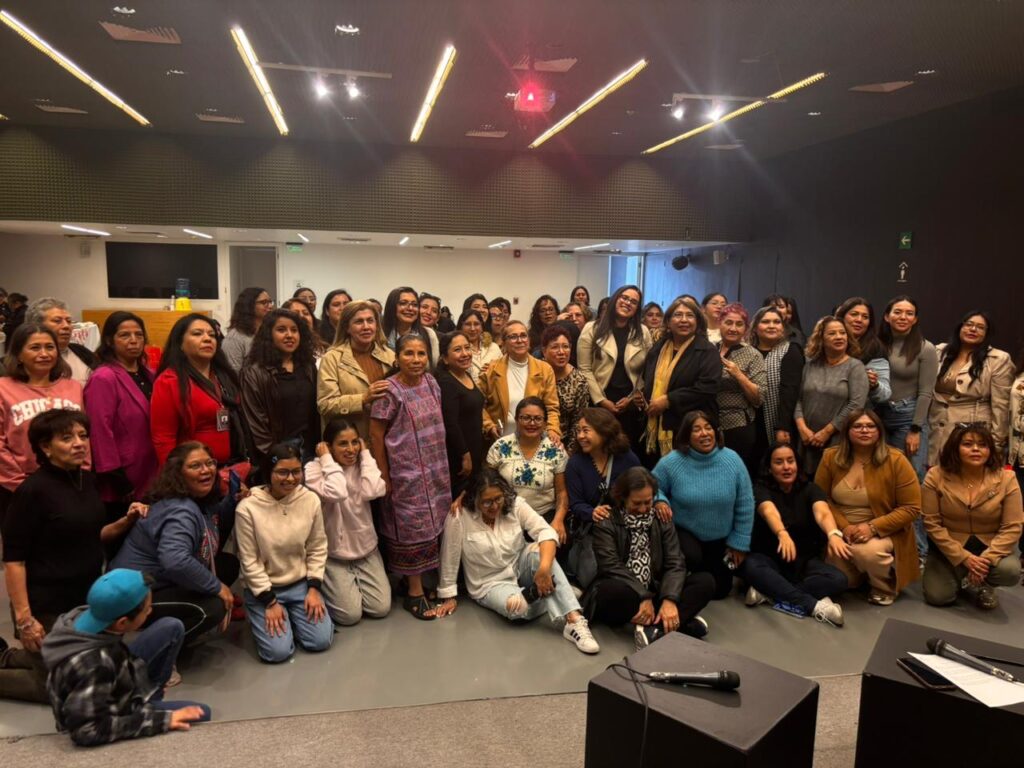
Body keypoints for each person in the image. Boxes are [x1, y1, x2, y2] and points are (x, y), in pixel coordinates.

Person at [1, 410, 141, 703]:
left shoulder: (85, 481)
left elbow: (90, 533)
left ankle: (13, 658)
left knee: (95, 671)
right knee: (57, 689)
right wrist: (25, 618)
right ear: (45, 447)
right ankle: (25, 657)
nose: (79, 443)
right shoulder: (32, 491)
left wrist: (125, 521)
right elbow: (14, 560)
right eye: (67, 438)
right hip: (45, 607)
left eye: (83, 436)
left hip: (83, 603)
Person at [432, 469, 600, 654]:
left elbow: (546, 531)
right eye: (487, 502)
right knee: (517, 608)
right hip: (489, 583)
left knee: (541, 552)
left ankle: (574, 621)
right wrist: (448, 596)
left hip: (520, 563)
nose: (494, 506)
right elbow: (450, 554)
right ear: (474, 499)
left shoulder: (515, 504)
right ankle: (561, 592)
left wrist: (544, 569)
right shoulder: (459, 515)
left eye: (498, 499)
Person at [42, 570, 211, 747]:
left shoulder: (80, 616)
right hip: (114, 712)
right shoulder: (95, 666)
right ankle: (149, 706)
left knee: (171, 627)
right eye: (147, 610)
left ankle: (151, 695)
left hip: (118, 680)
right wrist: (163, 720)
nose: (150, 611)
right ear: (122, 623)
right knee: (203, 713)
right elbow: (87, 730)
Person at [110, 442, 241, 643]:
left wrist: (234, 498)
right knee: (212, 608)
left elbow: (212, 526)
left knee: (228, 565)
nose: (206, 470)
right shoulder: (181, 510)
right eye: (195, 466)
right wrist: (217, 587)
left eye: (209, 463)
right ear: (178, 473)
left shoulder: (199, 499)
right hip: (136, 596)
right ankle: (150, 648)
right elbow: (175, 560)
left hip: (164, 579)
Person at [369, 334, 450, 619]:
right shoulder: (389, 391)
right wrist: (384, 474)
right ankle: (413, 591)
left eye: (421, 354)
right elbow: (376, 434)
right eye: (409, 354)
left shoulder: (431, 383)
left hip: (435, 468)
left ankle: (416, 581)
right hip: (406, 472)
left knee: (431, 524)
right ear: (396, 357)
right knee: (410, 527)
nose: (416, 360)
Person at [584, 467, 714, 643]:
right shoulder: (606, 521)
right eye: (636, 503)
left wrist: (669, 599)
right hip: (626, 589)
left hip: (656, 589)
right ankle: (680, 623)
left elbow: (675, 562)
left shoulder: (661, 518)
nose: (644, 508)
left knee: (705, 581)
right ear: (622, 498)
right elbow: (610, 565)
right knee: (611, 592)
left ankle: (656, 630)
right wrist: (643, 595)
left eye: (648, 502)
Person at [235, 444, 332, 663]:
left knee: (321, 641)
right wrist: (270, 602)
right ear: (268, 473)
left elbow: (318, 546)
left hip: (300, 585)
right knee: (277, 653)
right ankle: (266, 617)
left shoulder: (310, 500)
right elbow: (249, 562)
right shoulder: (247, 508)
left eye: (296, 471)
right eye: (282, 472)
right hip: (265, 589)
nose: (290, 479)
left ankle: (295, 620)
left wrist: (314, 588)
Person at [815, 410, 921, 605]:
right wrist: (844, 527)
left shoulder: (896, 460)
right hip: (842, 531)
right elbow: (820, 499)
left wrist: (872, 527)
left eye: (871, 426)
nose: (865, 430)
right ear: (847, 431)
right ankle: (863, 574)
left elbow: (911, 508)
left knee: (867, 553)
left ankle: (884, 586)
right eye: (858, 426)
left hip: (885, 531)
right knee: (842, 581)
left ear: (879, 431)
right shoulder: (830, 457)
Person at [741, 443, 848, 624]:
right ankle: (815, 607)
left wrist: (833, 534)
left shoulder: (811, 489)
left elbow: (822, 513)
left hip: (803, 561)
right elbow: (769, 511)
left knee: (839, 580)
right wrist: (782, 533)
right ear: (769, 467)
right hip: (769, 559)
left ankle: (769, 592)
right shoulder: (760, 489)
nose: (786, 467)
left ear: (797, 464)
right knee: (750, 566)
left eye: (790, 461)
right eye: (779, 462)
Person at [652, 410, 754, 599]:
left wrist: (739, 543)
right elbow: (651, 486)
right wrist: (659, 500)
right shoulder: (672, 462)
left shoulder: (732, 460)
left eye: (708, 428)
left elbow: (745, 504)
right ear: (686, 436)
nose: (704, 434)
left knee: (720, 591)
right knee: (692, 557)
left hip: (720, 539)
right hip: (685, 535)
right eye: (696, 430)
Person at [921, 424, 1022, 609]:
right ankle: (962, 574)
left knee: (1010, 571)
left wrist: (987, 559)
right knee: (939, 597)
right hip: (949, 546)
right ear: (955, 448)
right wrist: (964, 558)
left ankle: (985, 583)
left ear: (990, 449)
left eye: (982, 445)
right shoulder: (935, 476)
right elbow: (931, 523)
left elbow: (1013, 526)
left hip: (989, 545)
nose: (976, 449)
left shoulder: (1007, 478)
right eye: (967, 444)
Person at [305, 419, 391, 626]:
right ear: (328, 446)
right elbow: (337, 492)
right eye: (343, 444)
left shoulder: (364, 464)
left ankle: (355, 579)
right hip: (334, 555)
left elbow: (374, 491)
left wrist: (366, 455)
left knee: (380, 608)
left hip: (366, 550)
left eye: (355, 442)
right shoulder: (314, 468)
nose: (351, 449)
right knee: (350, 616)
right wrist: (326, 460)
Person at [84, 311, 159, 545]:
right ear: (109, 340)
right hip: (122, 477)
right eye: (124, 335)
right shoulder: (103, 378)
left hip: (152, 470)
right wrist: (117, 477)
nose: (134, 340)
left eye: (138, 334)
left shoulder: (150, 374)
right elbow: (99, 430)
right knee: (124, 544)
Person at [0, 324, 84, 524]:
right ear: (18, 354)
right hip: (20, 487)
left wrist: (84, 477)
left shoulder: (73, 387)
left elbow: (84, 434)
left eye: (50, 347)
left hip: (70, 483)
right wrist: (22, 484)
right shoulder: (3, 389)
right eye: (35, 348)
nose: (44, 354)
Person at [150, 314, 247, 467]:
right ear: (180, 343)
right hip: (192, 473)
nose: (207, 339)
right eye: (197, 333)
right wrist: (174, 477)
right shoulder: (169, 381)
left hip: (229, 467)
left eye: (212, 335)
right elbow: (163, 439)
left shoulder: (223, 376)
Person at [639, 296, 721, 461]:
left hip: (690, 429)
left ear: (697, 321)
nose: (684, 320)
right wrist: (642, 396)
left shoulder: (707, 350)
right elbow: (647, 378)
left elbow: (707, 387)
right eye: (678, 315)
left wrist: (668, 400)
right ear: (668, 322)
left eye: (690, 315)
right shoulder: (658, 348)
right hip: (656, 423)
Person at [928, 310, 1013, 465]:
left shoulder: (998, 359)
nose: (973, 329)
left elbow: (1001, 406)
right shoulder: (939, 351)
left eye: (980, 327)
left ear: (987, 334)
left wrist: (996, 444)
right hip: (936, 430)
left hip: (972, 433)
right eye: (969, 325)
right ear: (960, 328)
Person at [240, 308, 320, 469]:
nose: (289, 335)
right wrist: (274, 456)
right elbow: (255, 423)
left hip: (311, 448)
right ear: (269, 334)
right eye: (281, 330)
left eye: (294, 330)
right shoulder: (254, 372)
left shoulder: (307, 366)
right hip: (278, 452)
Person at [577, 285, 652, 447]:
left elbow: (648, 369)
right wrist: (602, 400)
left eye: (633, 301)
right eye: (624, 298)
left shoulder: (643, 332)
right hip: (599, 400)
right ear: (615, 299)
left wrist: (632, 398)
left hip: (630, 404)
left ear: (637, 308)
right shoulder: (592, 328)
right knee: (599, 449)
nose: (628, 303)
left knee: (626, 451)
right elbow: (584, 368)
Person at [486, 397, 569, 543]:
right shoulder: (500, 446)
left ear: (545, 422)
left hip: (543, 518)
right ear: (517, 420)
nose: (532, 423)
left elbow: (561, 492)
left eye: (538, 419)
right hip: (505, 516)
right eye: (526, 418)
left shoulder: (555, 451)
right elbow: (485, 482)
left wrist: (558, 520)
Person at [794, 316, 869, 476]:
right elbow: (798, 398)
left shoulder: (855, 367)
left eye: (842, 333)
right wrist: (802, 428)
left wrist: (827, 432)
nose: (839, 337)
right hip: (805, 439)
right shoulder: (809, 365)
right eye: (832, 333)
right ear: (821, 338)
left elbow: (856, 405)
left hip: (836, 440)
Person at [877, 296, 938, 480]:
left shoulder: (925, 348)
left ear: (915, 319)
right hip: (879, 416)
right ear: (887, 317)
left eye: (909, 313)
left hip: (908, 418)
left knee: (909, 476)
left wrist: (915, 429)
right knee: (882, 475)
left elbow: (926, 392)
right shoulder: (877, 345)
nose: (903, 317)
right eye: (898, 312)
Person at [317, 300, 395, 441]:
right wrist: (363, 398)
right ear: (347, 327)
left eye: (370, 321)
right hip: (350, 443)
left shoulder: (390, 356)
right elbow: (325, 405)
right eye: (359, 322)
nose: (366, 327)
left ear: (377, 326)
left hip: (385, 440)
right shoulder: (332, 358)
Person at [479, 320, 561, 442]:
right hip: (500, 441)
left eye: (523, 335)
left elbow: (551, 407)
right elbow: (478, 405)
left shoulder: (545, 370)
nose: (519, 340)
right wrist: (489, 425)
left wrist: (553, 430)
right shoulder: (491, 370)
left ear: (529, 340)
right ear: (504, 342)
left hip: (534, 440)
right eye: (513, 337)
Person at [566, 407, 641, 526]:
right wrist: (592, 512)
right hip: (592, 528)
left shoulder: (627, 458)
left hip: (626, 525)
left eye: (586, 430)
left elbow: (640, 490)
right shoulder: (575, 463)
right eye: (578, 431)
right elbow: (575, 503)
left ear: (604, 432)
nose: (580, 436)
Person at [715, 303, 766, 475]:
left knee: (734, 474)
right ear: (719, 323)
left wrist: (739, 375)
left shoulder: (753, 355)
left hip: (738, 426)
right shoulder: (709, 349)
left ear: (746, 328)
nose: (733, 328)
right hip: (709, 423)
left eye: (739, 324)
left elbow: (758, 399)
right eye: (728, 322)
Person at [748, 305, 804, 462]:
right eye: (765, 322)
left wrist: (782, 426)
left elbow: (790, 392)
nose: (771, 326)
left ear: (783, 328)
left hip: (777, 422)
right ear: (755, 327)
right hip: (749, 422)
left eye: (776, 322)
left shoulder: (791, 351)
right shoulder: (746, 352)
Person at [436, 331, 485, 499]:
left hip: (475, 448)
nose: (465, 354)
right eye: (457, 350)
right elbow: (450, 423)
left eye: (467, 348)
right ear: (445, 358)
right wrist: (464, 455)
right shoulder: (446, 381)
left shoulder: (465, 373)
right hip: (460, 456)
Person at [25, 297, 97, 386]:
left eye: (69, 321)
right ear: (36, 325)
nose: (66, 326)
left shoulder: (81, 352)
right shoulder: (25, 361)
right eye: (57, 321)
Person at [835, 297, 891, 406]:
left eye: (865, 317)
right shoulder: (826, 343)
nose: (859, 320)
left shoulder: (875, 348)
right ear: (842, 317)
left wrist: (874, 385)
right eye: (854, 314)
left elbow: (884, 395)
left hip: (858, 416)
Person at [542, 325, 589, 453]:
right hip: (533, 437)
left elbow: (578, 421)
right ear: (544, 351)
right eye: (555, 347)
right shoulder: (535, 372)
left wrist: (569, 453)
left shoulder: (579, 380)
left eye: (566, 346)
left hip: (564, 443)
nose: (561, 352)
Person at [382, 286, 439, 363]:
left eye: (414, 304)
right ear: (392, 306)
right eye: (403, 303)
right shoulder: (380, 334)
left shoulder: (428, 334)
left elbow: (434, 367)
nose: (410, 308)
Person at [221, 287, 273, 372]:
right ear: (249, 305)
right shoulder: (235, 338)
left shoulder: (270, 331)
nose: (270, 306)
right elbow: (233, 374)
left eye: (270, 302)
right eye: (264, 302)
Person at [459, 309, 501, 383]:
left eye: (476, 324)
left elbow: (503, 372)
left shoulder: (494, 347)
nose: (472, 328)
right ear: (461, 326)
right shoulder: (457, 350)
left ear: (482, 326)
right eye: (468, 324)